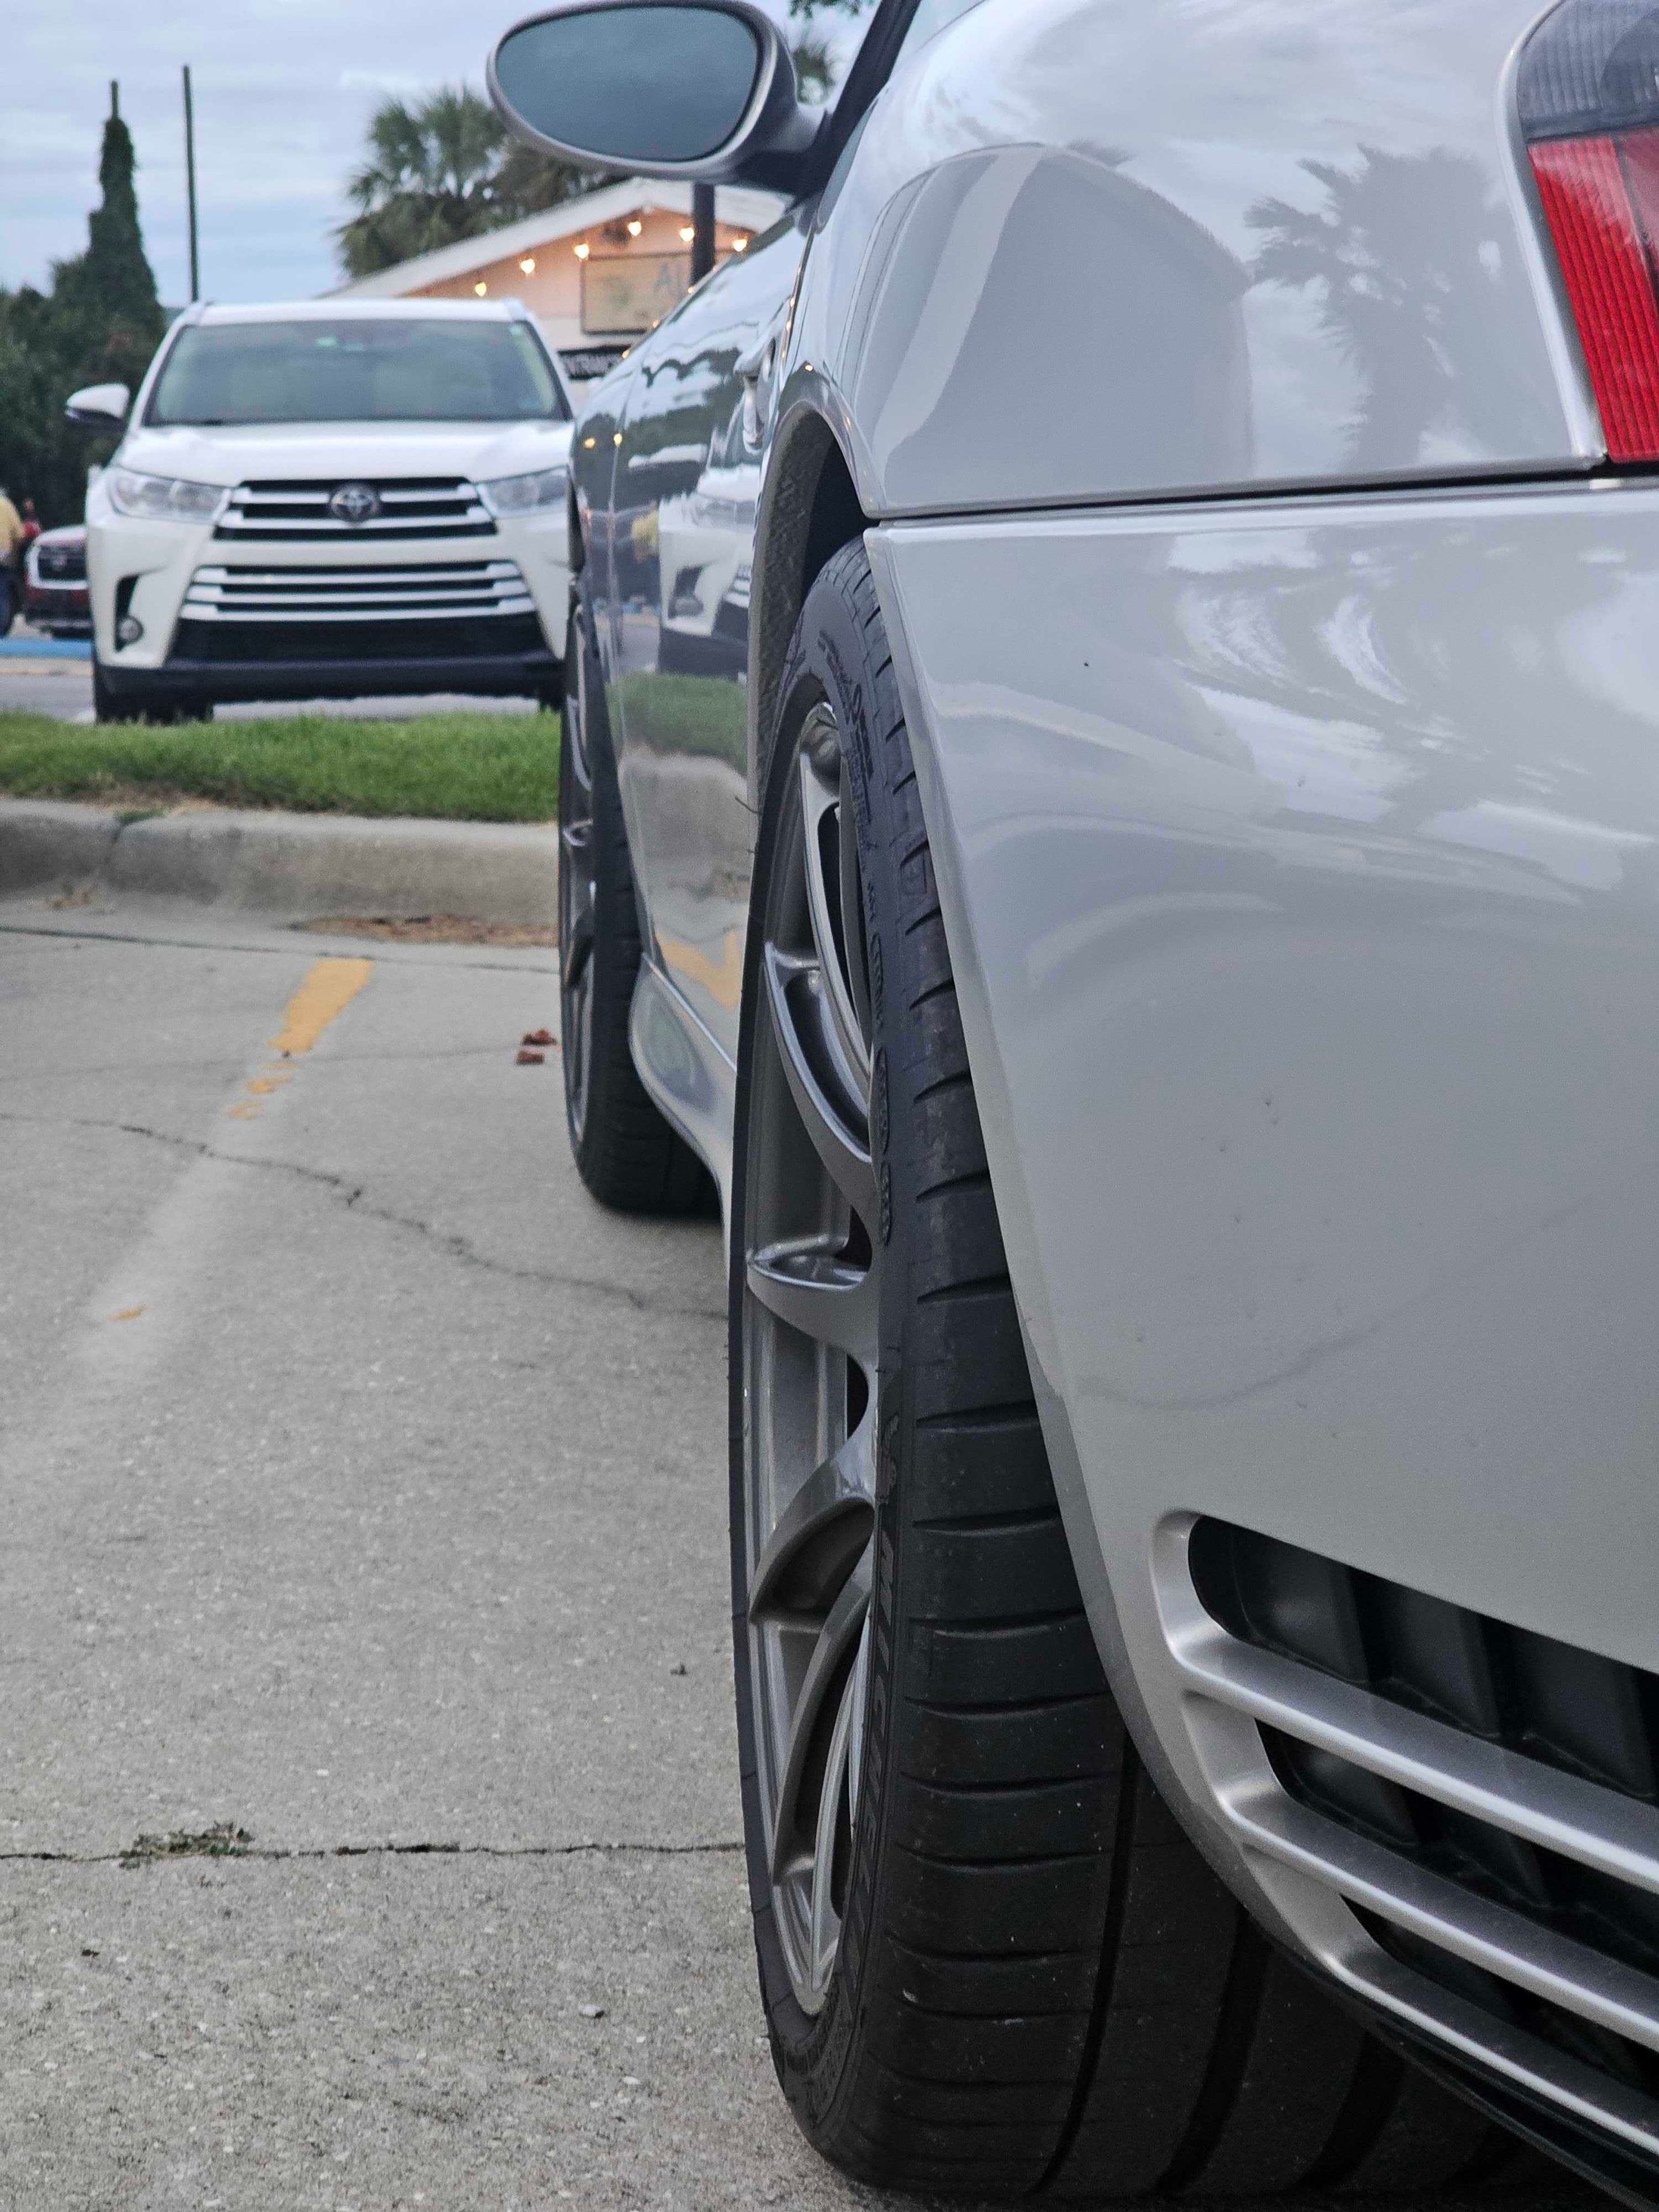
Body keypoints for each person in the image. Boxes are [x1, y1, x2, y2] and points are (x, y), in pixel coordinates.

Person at [0, 486, 24, 635]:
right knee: (2, 593)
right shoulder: (7, 505)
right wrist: (13, 554)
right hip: (4, 555)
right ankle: (1, 631)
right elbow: (19, 534)